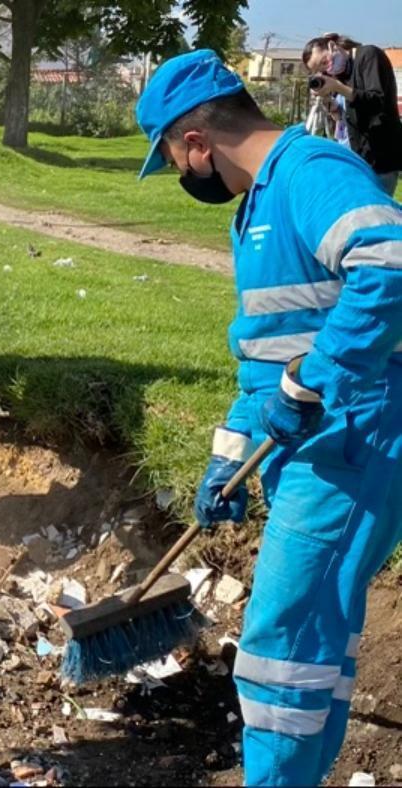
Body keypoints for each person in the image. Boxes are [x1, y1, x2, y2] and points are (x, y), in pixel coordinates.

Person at [136, 50, 402, 786]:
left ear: (197, 142)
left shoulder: (310, 172)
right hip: (317, 442)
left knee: (277, 651)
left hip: (354, 438)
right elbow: (266, 354)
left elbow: (388, 260)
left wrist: (314, 382)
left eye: (176, 162)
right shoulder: (260, 200)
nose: (187, 180)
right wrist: (231, 451)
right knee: (313, 648)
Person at [303, 33, 402, 195]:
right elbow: (346, 118)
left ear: (332, 46)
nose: (327, 70)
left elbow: (377, 101)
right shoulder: (340, 75)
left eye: (325, 62)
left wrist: (337, 87)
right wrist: (331, 105)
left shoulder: (368, 55)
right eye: (321, 71)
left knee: (375, 214)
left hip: (379, 158)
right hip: (355, 157)